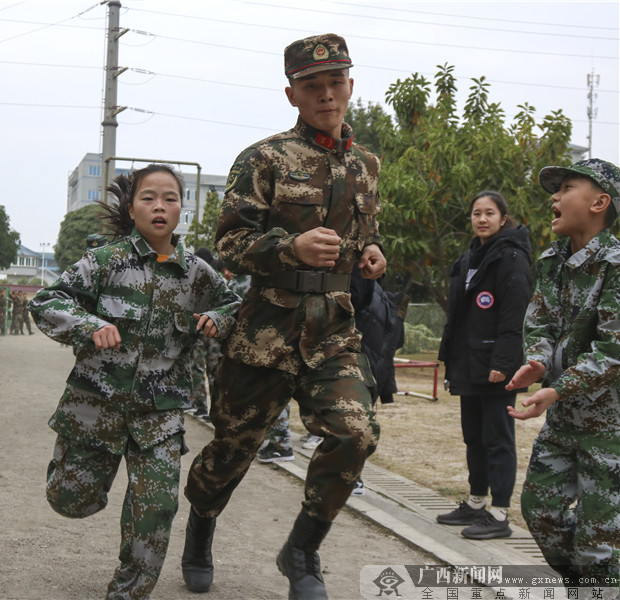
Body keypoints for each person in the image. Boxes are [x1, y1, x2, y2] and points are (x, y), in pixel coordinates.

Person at [181, 34, 385, 599]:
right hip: (265, 331)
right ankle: (201, 525)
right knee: (231, 450)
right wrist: (289, 248)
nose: (326, 93)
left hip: (333, 331)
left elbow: (364, 232)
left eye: (335, 82)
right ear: (292, 94)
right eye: (312, 85)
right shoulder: (263, 158)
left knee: (356, 434)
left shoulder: (367, 164)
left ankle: (302, 550)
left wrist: (370, 253)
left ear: (351, 86)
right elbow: (228, 243)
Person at [30, 164, 240, 600]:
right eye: (148, 198)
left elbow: (235, 305)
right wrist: (88, 324)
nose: (159, 207)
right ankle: (83, 479)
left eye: (170, 198)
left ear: (182, 207)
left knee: (156, 509)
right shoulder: (104, 262)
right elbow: (47, 300)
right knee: (70, 500)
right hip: (95, 408)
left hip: (158, 415)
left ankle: (128, 592)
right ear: (131, 207)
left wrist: (216, 319)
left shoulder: (197, 274)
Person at [506, 158, 620, 589]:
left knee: (598, 542)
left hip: (610, 428)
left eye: (567, 187)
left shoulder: (616, 265)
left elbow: (613, 349)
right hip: (563, 419)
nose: (554, 197)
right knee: (541, 514)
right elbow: (540, 324)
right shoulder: (553, 260)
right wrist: (537, 362)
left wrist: (558, 389)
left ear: (599, 203)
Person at [434, 191, 533, 540]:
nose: (482, 219)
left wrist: (504, 363)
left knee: (498, 441)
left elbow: (515, 315)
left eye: (489, 213)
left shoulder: (511, 257)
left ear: (503, 218)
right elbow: (458, 316)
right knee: (473, 438)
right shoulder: (469, 258)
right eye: (476, 213)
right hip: (468, 363)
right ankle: (476, 503)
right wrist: (449, 356)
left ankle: (500, 513)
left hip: (495, 367)